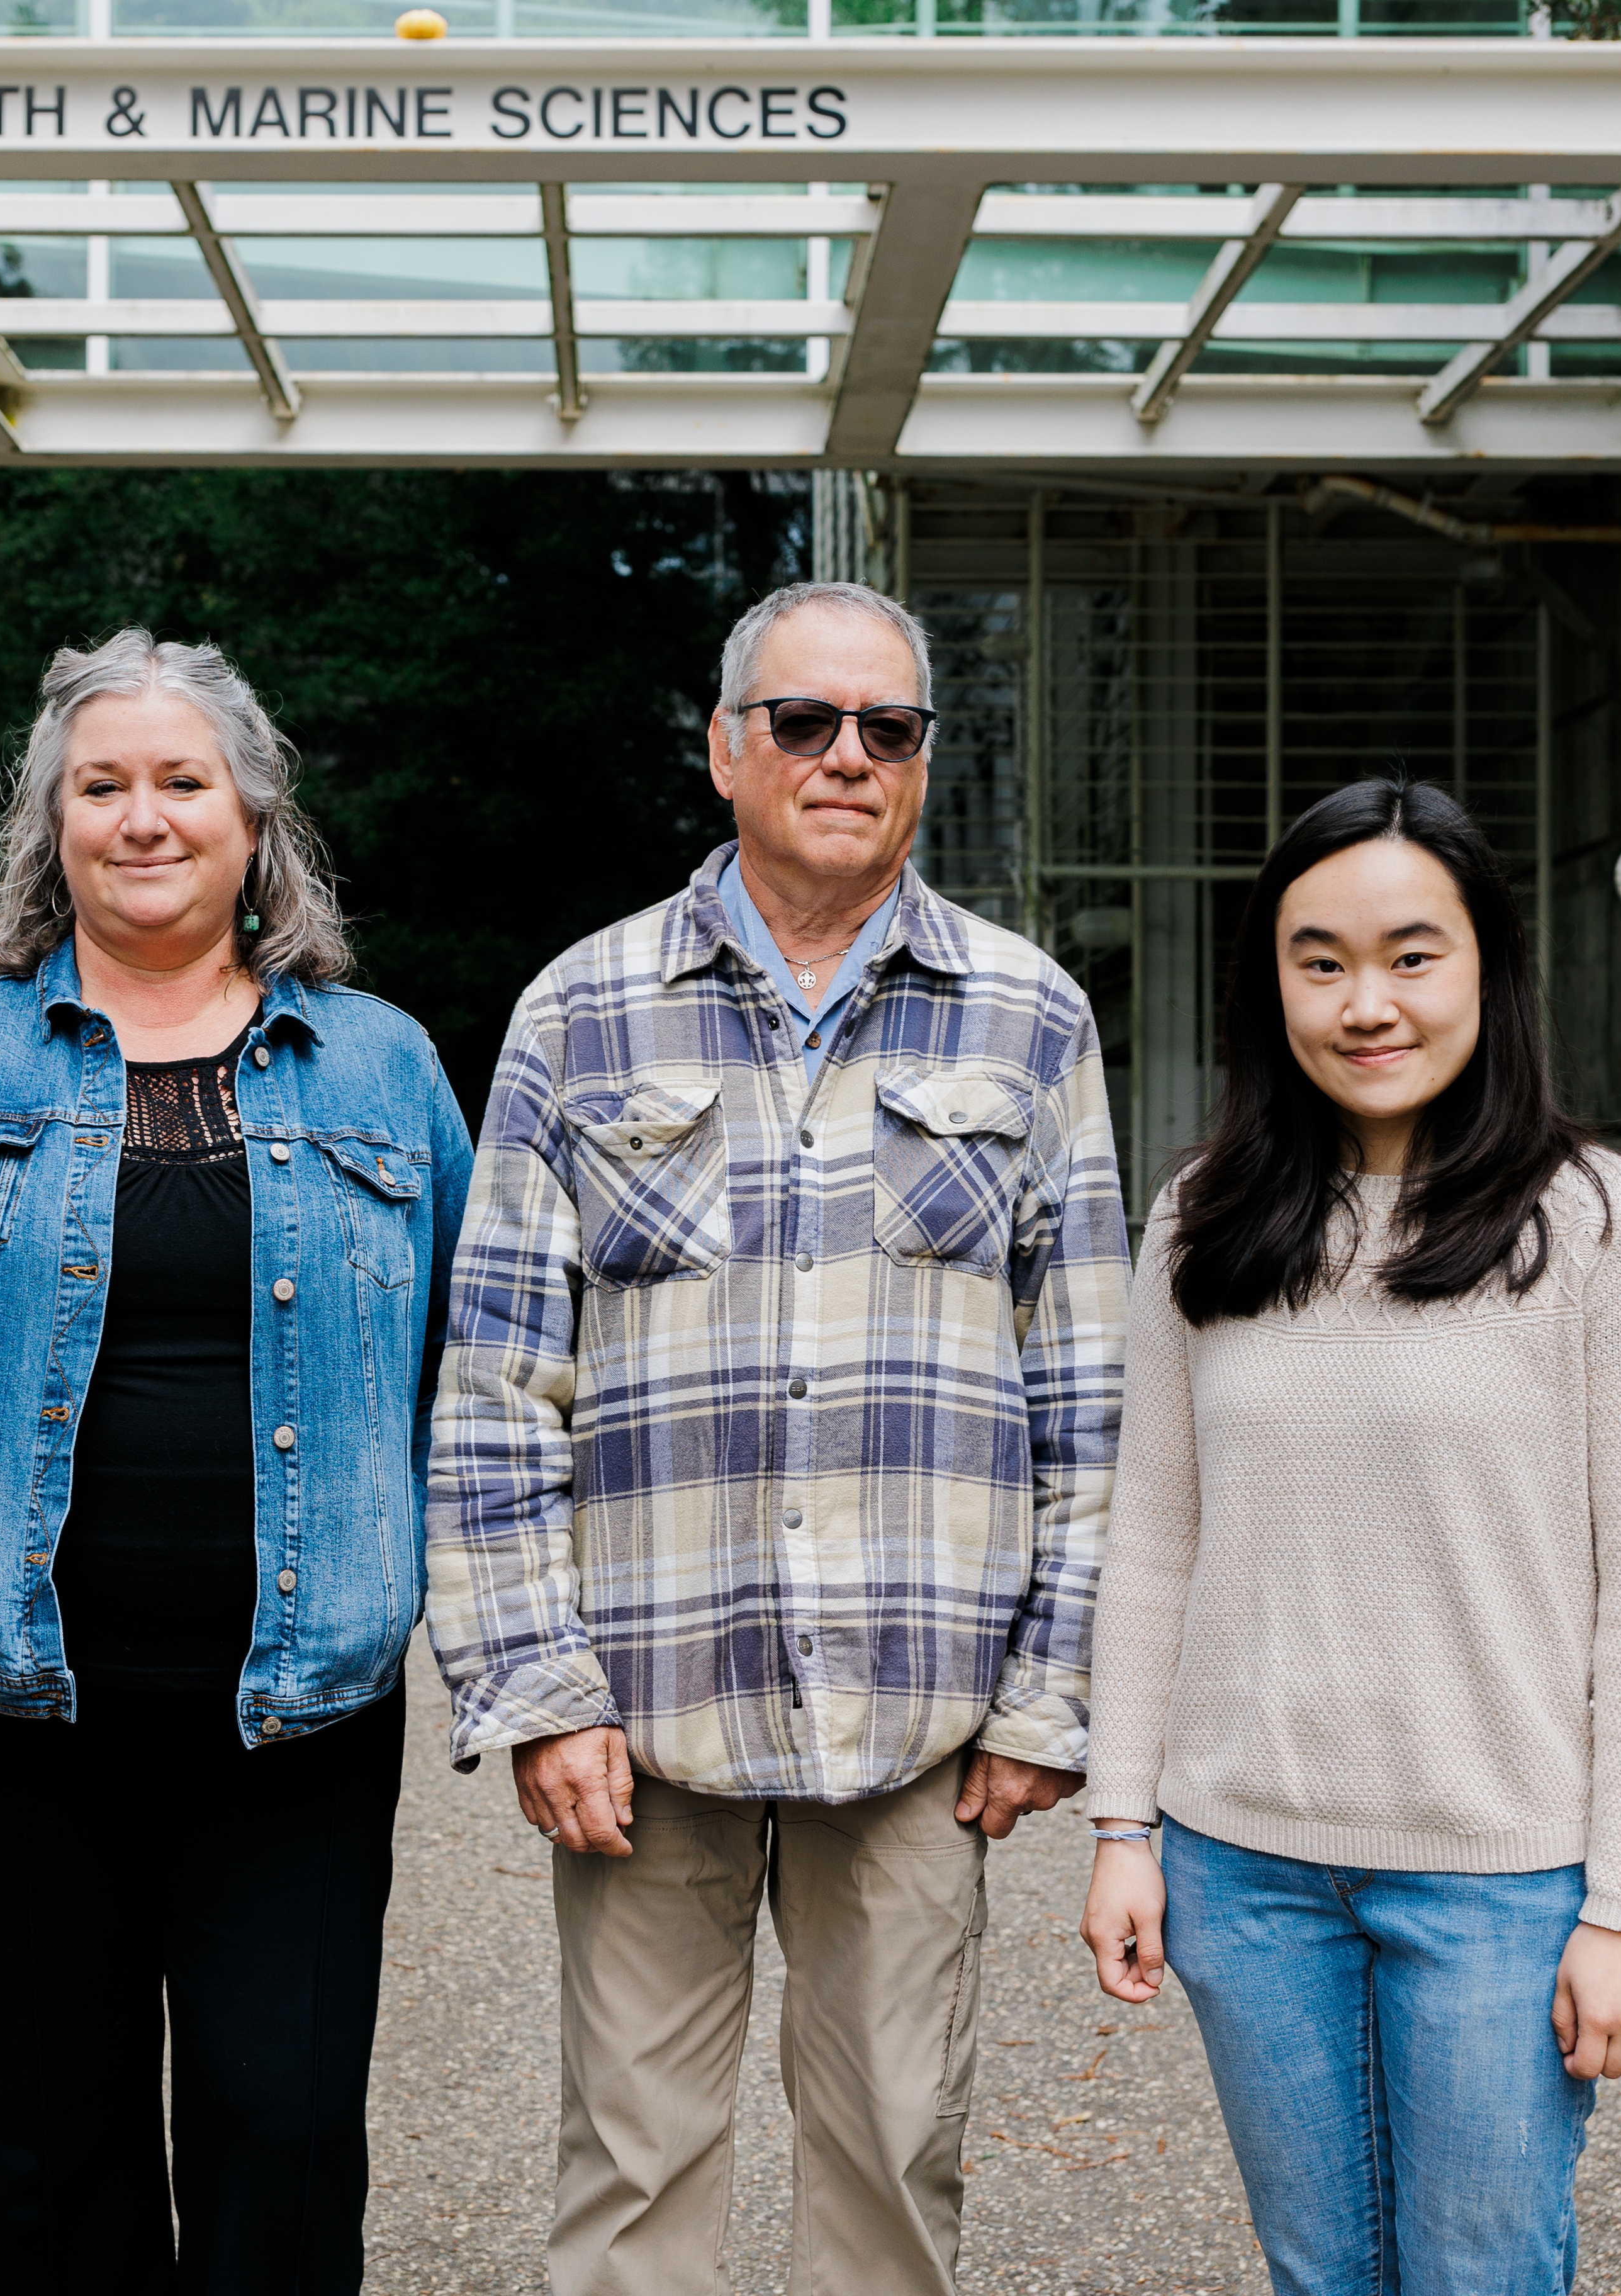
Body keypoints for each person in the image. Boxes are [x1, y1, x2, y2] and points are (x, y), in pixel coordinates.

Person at [426, 580, 1131, 2296]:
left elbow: (1091, 1393)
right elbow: (497, 1384)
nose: (846, 756)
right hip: (644, 1715)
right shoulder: (580, 1014)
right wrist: (538, 1691)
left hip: (917, 1714)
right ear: (729, 749)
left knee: (900, 2158)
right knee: (633, 2162)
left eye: (887, 728)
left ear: (922, 762)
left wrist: (1050, 1697)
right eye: (805, 722)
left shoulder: (1029, 1019)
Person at [0, 631, 470, 2295]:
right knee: (42, 2159)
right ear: (49, 826)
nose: (144, 818)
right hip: (6, 1705)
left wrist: (407, 1541)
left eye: (182, 782)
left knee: (278, 2143)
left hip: (299, 1707)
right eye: (103, 786)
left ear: (255, 821)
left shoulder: (384, 1069)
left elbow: (487, 1371)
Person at [1077, 774, 1621, 2296]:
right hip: (1241, 1870)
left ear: (1485, 968)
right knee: (1318, 2270)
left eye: (1411, 955)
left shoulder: (1599, 1228)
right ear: (1271, 981)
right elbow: (1152, 1537)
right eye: (1320, 960)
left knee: (1481, 2271)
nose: (1366, 1003)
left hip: (1498, 1880)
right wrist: (1120, 1825)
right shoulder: (1199, 1220)